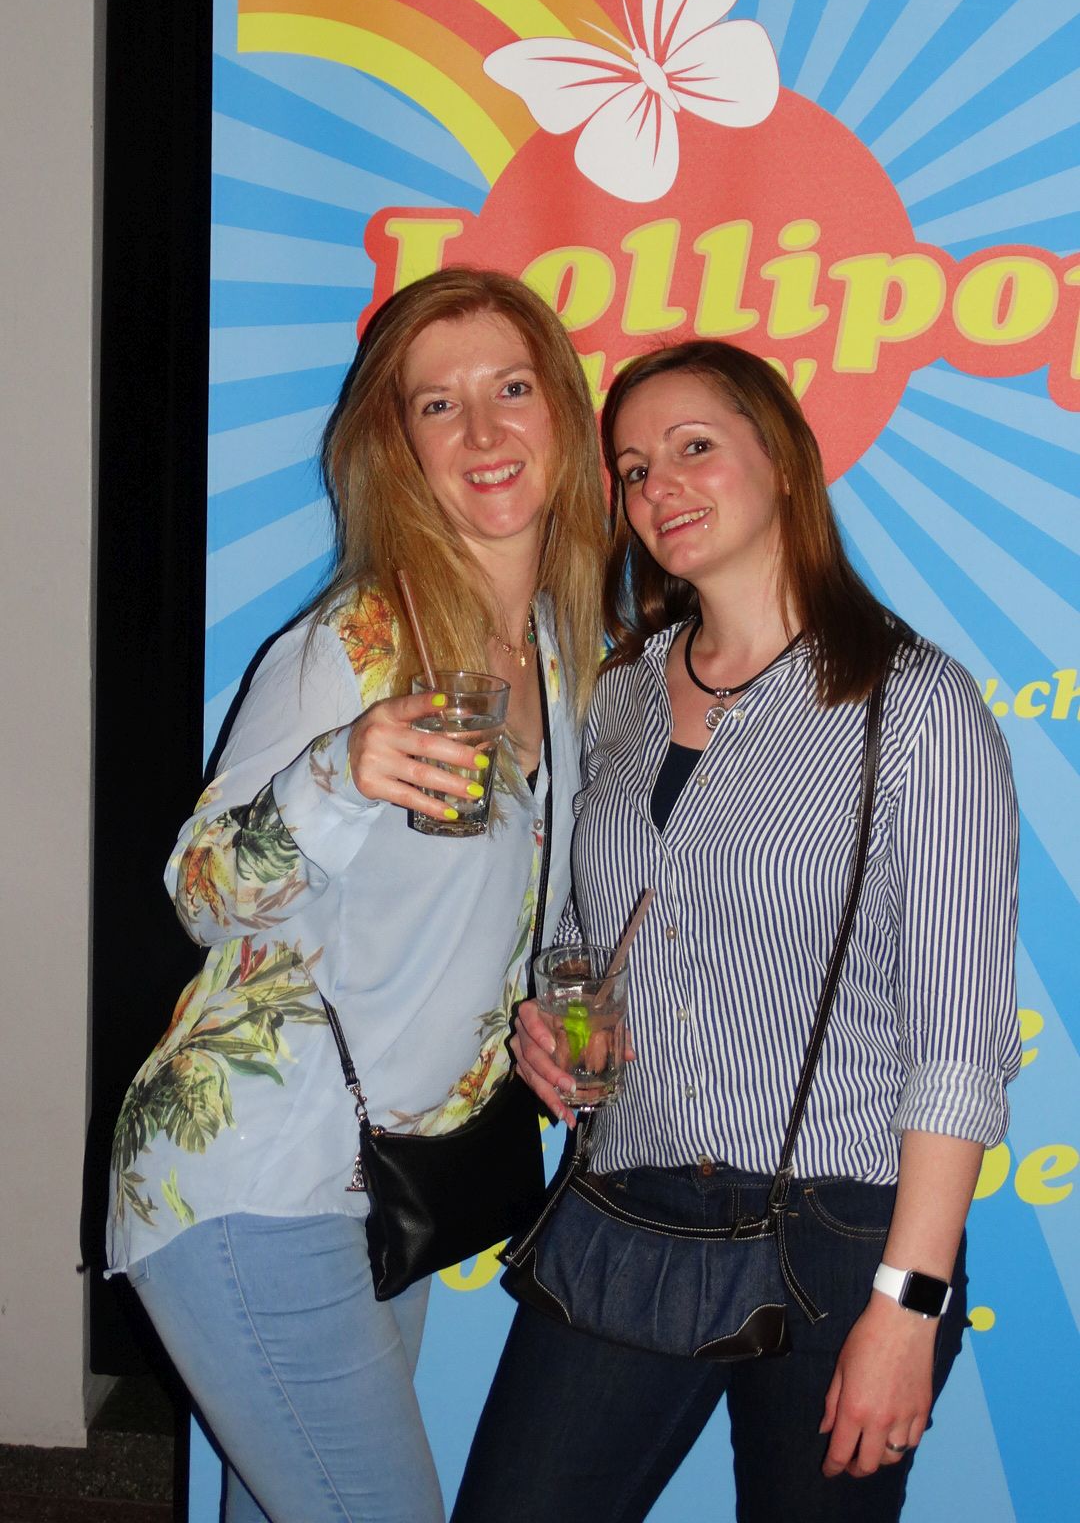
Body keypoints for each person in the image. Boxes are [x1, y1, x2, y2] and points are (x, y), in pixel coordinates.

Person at [453, 339, 1021, 1523]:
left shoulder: (916, 708)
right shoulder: (615, 696)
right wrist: (547, 1027)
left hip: (840, 1231)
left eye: (694, 448)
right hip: (631, 1198)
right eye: (633, 469)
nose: (658, 487)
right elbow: (587, 937)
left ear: (785, 461)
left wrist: (908, 1307)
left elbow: (961, 1047)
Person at [107, 268, 606, 1523]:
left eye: (511, 388)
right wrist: (338, 769)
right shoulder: (355, 642)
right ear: (401, 448)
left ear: (563, 411)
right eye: (438, 405)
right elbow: (200, 893)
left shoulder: (559, 658)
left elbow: (469, 923)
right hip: (259, 1176)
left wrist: (529, 1029)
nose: (482, 431)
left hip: (386, 1180)